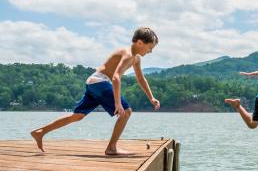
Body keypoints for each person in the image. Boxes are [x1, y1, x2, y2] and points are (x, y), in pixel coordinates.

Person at [30, 27, 160, 155]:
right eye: (150, 47)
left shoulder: (136, 58)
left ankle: (40, 132)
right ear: (139, 42)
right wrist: (117, 103)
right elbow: (116, 78)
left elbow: (141, 79)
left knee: (78, 115)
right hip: (99, 82)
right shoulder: (128, 55)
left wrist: (151, 97)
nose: (150, 51)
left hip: (94, 81)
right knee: (126, 111)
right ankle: (112, 148)